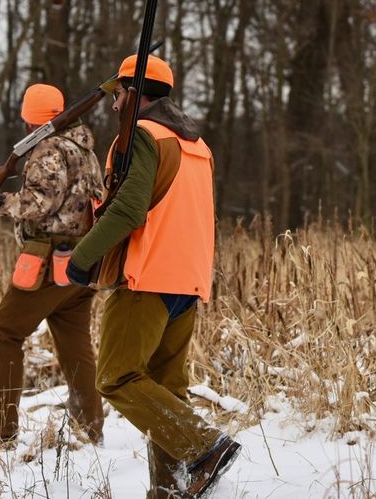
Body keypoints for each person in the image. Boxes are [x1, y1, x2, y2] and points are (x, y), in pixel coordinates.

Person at [65, 54, 239, 498]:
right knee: (165, 389)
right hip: (189, 279)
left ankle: (205, 446)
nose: (112, 104)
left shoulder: (143, 135)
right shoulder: (196, 144)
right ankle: (172, 490)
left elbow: (129, 207)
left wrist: (83, 257)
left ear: (134, 95)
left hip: (147, 276)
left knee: (117, 377)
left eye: (118, 94)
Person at [0, 84, 105, 450]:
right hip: (82, 261)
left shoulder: (49, 148)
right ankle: (90, 429)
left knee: (4, 334)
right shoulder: (85, 150)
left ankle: (0, 431)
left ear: (28, 120)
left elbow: (39, 203)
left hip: (49, 262)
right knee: (73, 341)